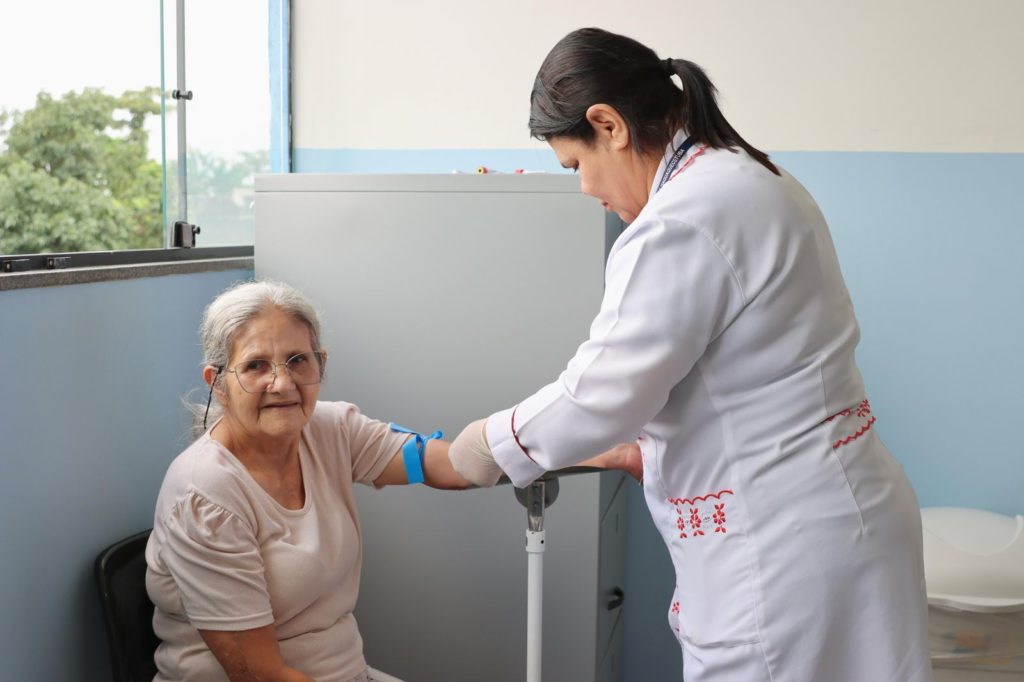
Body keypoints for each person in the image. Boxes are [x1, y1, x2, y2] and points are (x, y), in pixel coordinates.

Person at [448, 27, 932, 682]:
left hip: (782, 552)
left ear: (609, 125)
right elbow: (751, 373)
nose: (584, 188)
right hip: (844, 517)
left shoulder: (683, 218)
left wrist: (483, 446)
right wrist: (647, 453)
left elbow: (600, 395)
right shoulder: (754, 177)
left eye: (575, 164)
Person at [145, 279, 636, 682]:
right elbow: (260, 675)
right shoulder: (205, 494)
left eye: (298, 360)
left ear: (321, 365)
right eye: (256, 366)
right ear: (217, 382)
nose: (283, 383)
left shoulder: (331, 430)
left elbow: (453, 466)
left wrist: (595, 451)